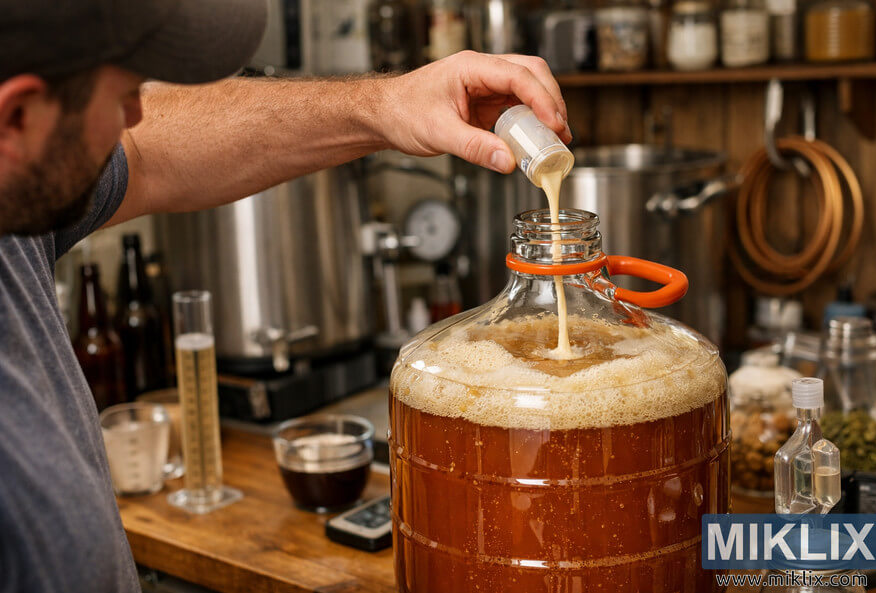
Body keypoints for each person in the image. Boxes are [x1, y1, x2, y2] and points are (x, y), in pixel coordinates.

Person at [0, 0, 570, 591]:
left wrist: (386, 105)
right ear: (15, 117)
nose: (135, 116)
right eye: (121, 93)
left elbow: (146, 154)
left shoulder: (16, 207)